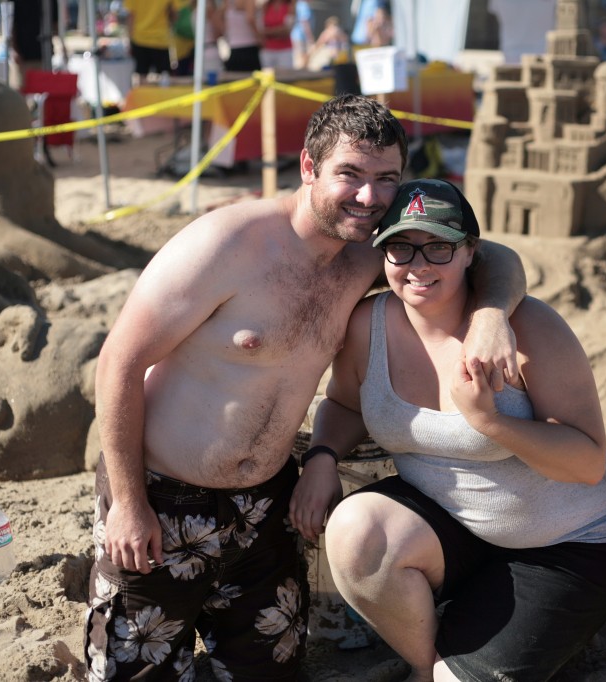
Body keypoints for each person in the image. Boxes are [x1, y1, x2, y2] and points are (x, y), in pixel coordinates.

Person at [84, 95, 526, 681]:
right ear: (309, 167)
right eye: (350, 174)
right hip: (162, 502)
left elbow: (494, 258)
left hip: (267, 508)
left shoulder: (371, 253)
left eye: (386, 179)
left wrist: (493, 315)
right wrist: (129, 504)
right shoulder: (227, 244)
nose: (369, 198)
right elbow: (118, 362)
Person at [289, 178, 606, 682]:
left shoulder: (531, 330)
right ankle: (426, 667)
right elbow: (344, 402)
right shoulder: (370, 323)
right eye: (401, 247)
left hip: (564, 546)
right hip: (454, 532)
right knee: (356, 529)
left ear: (471, 252)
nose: (419, 264)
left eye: (439, 246)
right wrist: (321, 456)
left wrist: (490, 421)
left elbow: (586, 464)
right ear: (383, 255)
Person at [124, 0, 174, 82]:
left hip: (140, 39)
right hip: (160, 40)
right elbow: (174, 14)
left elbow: (131, 16)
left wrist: (130, 40)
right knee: (164, 79)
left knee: (141, 78)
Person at [221, 0, 261, 72]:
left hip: (234, 48)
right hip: (249, 48)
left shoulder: (227, 3)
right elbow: (250, 18)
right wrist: (260, 37)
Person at [259, 0, 294, 70]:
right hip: (267, 50)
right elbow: (260, 29)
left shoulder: (290, 6)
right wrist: (278, 30)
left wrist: (268, 32)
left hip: (284, 50)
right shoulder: (265, 6)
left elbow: (287, 31)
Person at [289, 0, 314, 69]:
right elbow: (304, 22)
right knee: (302, 59)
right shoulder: (303, 5)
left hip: (298, 36)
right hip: (301, 37)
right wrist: (310, 37)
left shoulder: (299, 4)